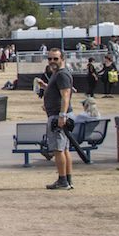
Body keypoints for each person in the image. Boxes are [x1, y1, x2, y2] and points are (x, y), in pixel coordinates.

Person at [42, 48, 75, 190]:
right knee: (64, 149)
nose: (52, 62)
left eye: (55, 59)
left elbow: (66, 95)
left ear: (62, 59)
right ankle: (67, 179)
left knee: (58, 149)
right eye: (50, 59)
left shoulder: (62, 74)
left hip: (58, 117)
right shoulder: (57, 74)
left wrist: (62, 115)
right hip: (56, 113)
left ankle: (63, 181)